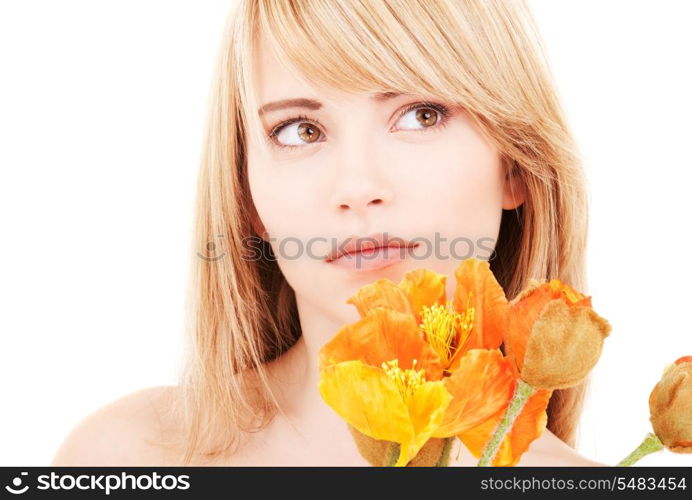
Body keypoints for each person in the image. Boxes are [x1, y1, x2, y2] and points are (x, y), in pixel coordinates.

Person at [51, 0, 605, 466]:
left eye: (421, 115)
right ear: (248, 199)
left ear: (517, 166)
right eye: (300, 130)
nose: (357, 186)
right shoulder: (122, 456)